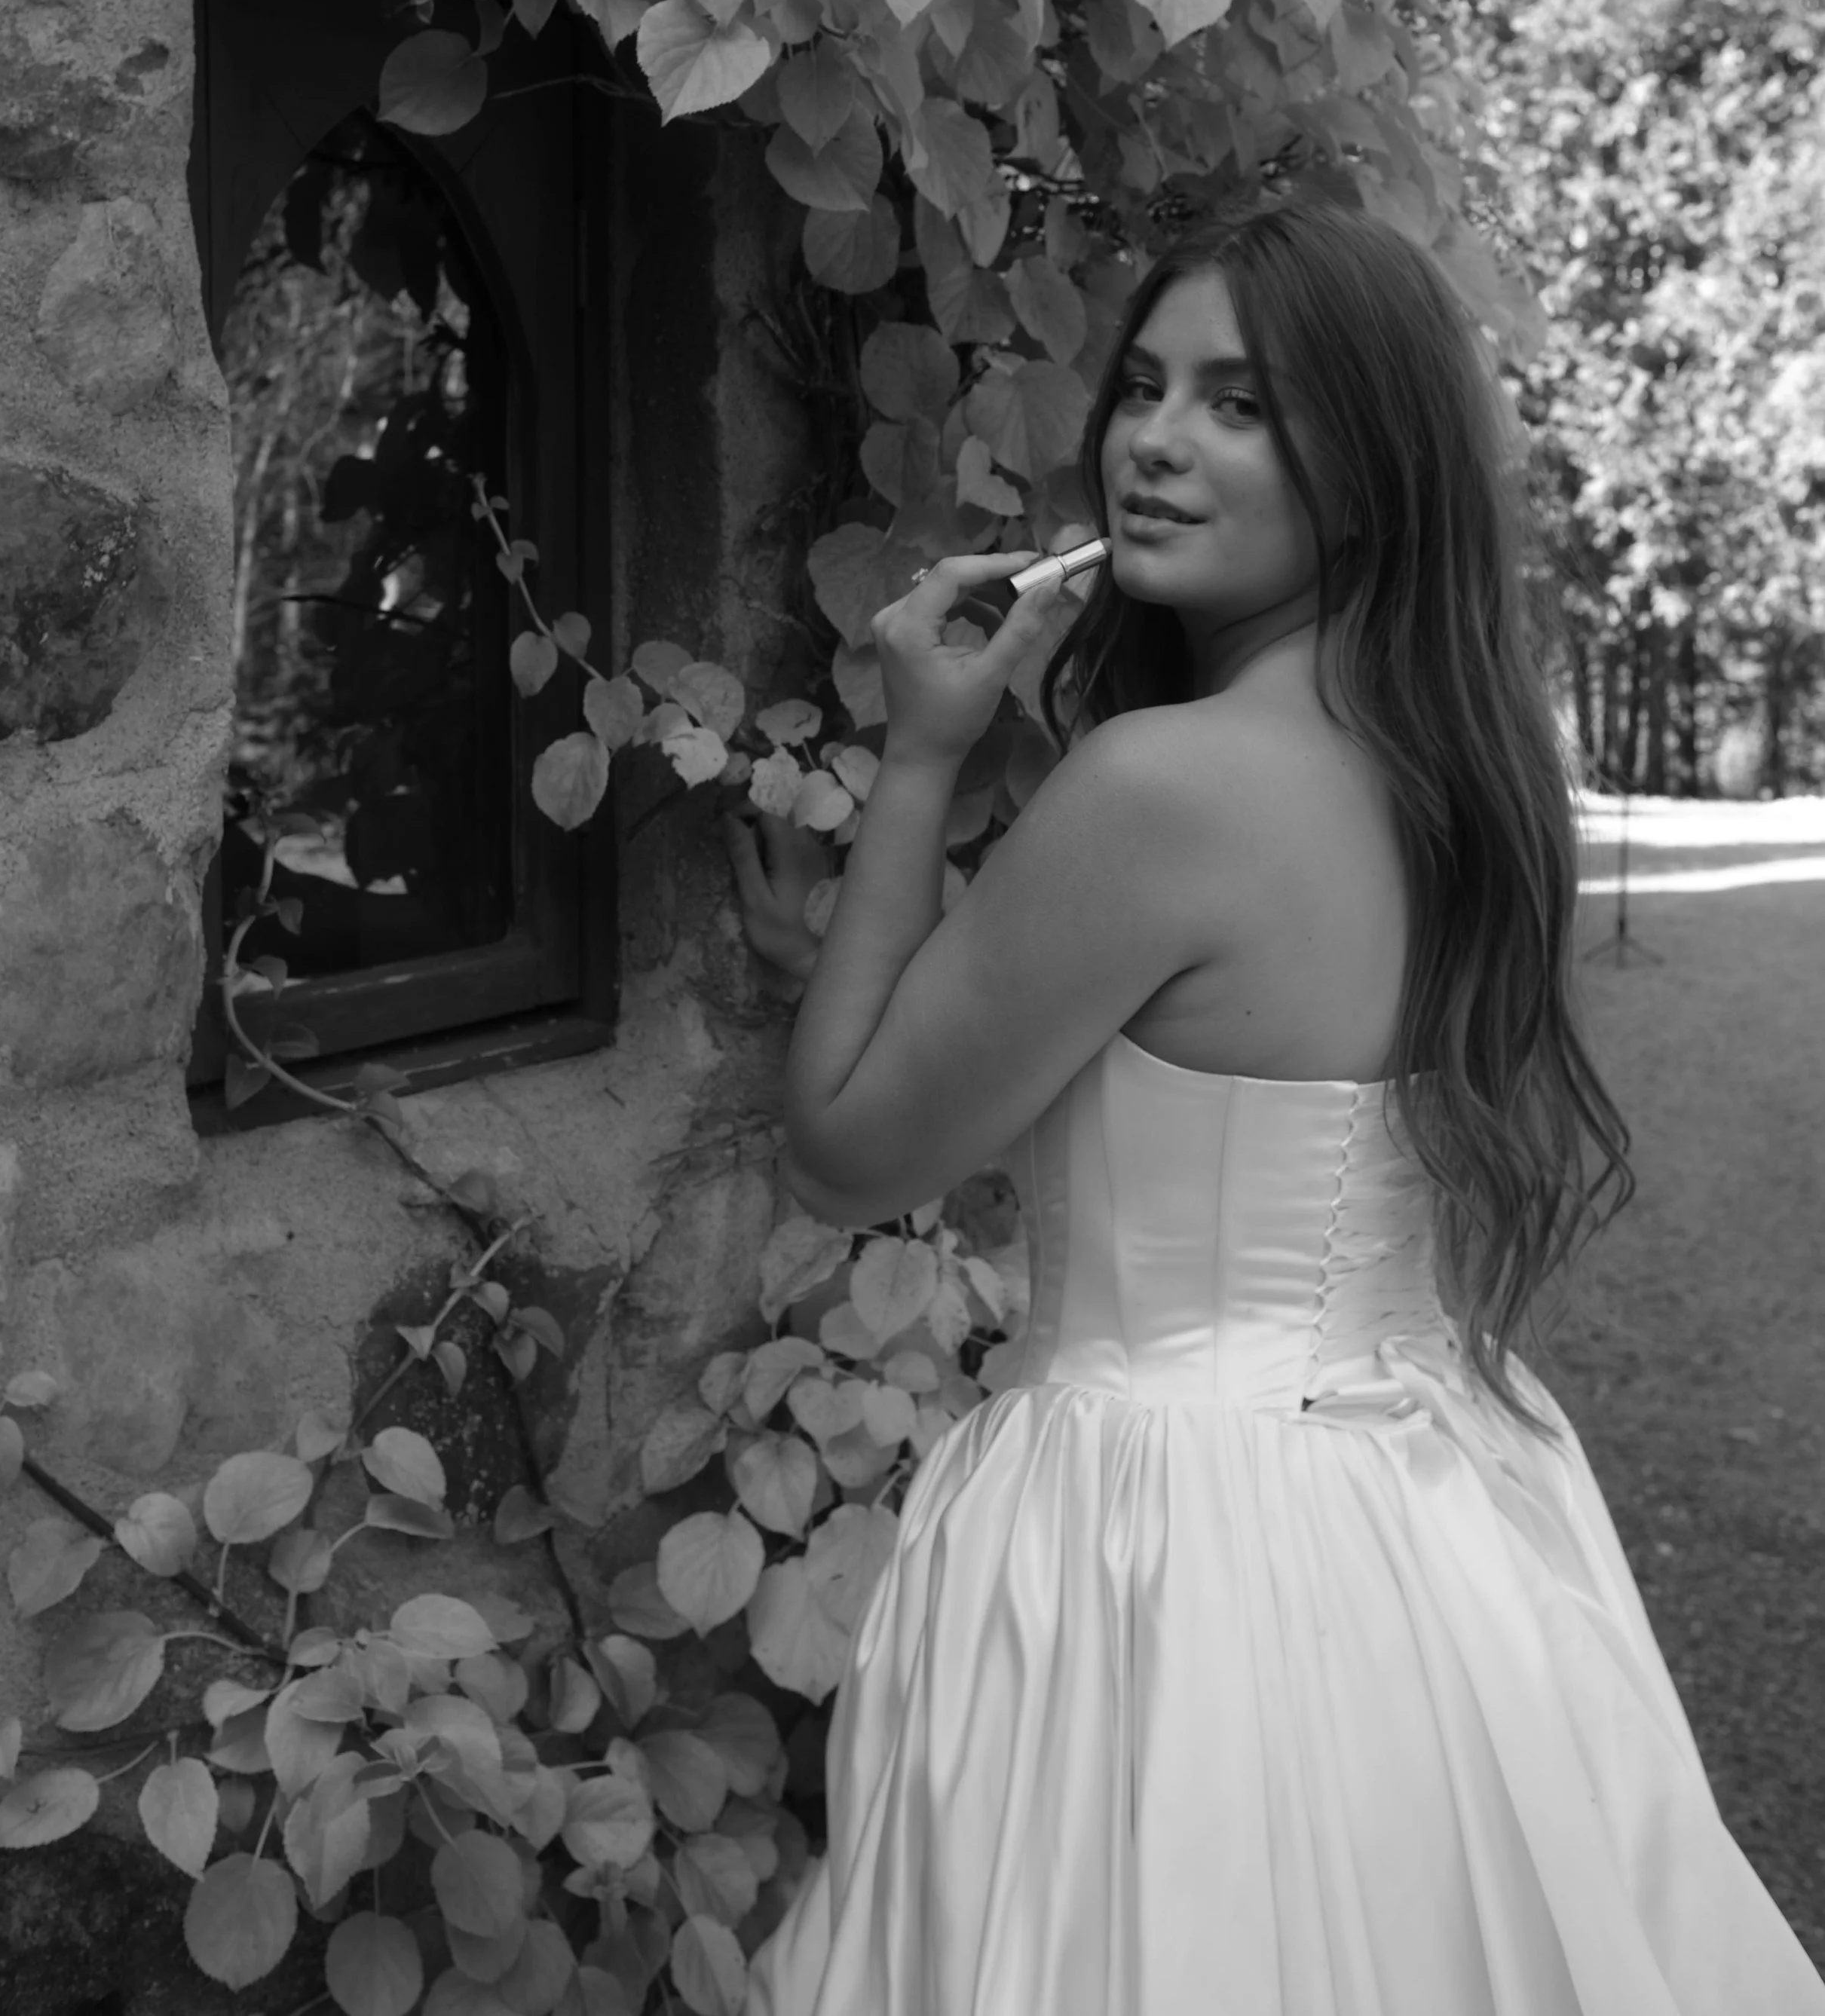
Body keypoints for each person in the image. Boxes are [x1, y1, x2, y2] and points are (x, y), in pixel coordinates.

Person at [724, 197, 1825, 2014]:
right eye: (1145, 387)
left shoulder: (1158, 791)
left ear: (1367, 467)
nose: (1154, 441)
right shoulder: (1464, 780)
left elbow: (844, 1154)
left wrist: (918, 759)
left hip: (1156, 1545)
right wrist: (842, 964)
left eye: (1239, 404)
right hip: (1426, 1517)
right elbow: (1162, 1103)